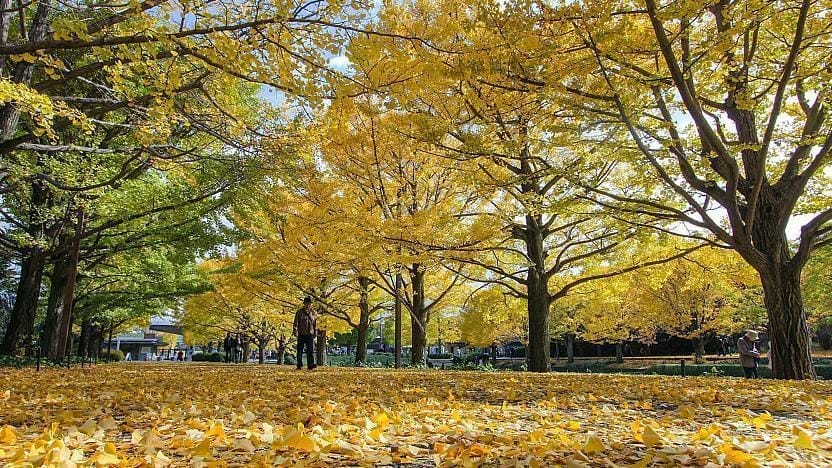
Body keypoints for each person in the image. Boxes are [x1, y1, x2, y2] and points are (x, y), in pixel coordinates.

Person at [293, 296, 318, 370]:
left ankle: (310, 364)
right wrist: (295, 331)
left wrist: (315, 333)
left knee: (310, 350)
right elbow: (295, 323)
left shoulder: (313, 312)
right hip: (301, 333)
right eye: (307, 303)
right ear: (304, 304)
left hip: (310, 333)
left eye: (309, 303)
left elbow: (315, 324)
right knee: (300, 350)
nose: (308, 305)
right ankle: (299, 364)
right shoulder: (299, 312)